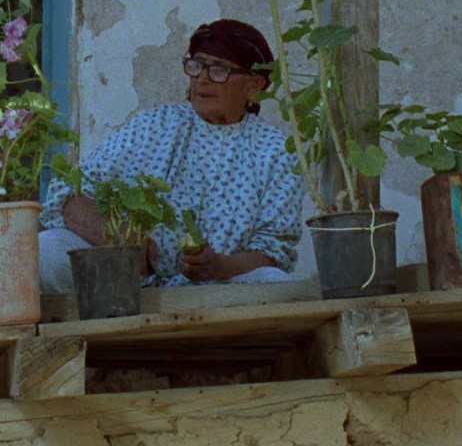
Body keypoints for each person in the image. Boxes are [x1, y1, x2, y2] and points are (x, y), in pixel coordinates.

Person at [39, 19, 303, 291]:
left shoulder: (275, 151)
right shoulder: (154, 125)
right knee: (47, 250)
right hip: (127, 284)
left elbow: (273, 252)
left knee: (272, 282)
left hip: (219, 291)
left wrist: (219, 266)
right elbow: (72, 194)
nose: (201, 77)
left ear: (254, 85)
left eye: (219, 69)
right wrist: (118, 239)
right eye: (197, 65)